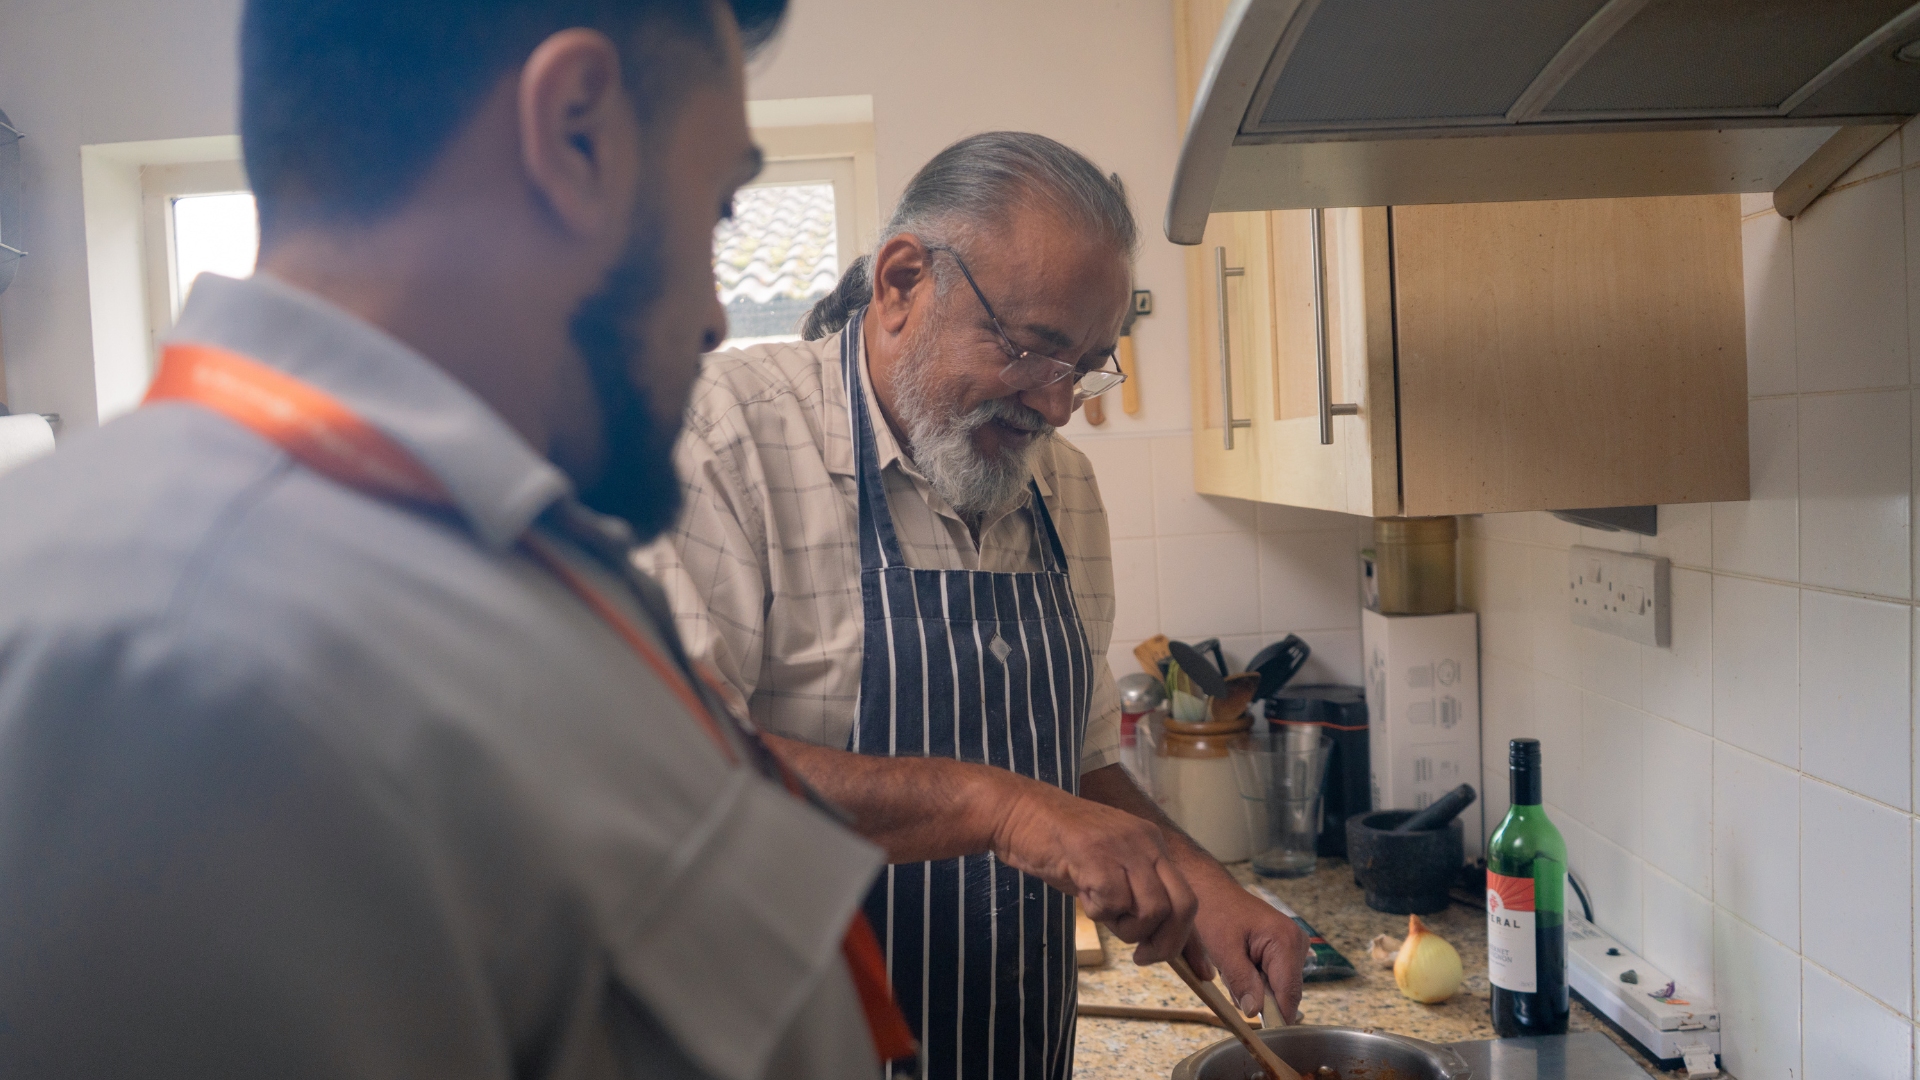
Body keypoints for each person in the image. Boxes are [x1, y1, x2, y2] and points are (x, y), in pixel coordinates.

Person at [0, 1, 914, 1077]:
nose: (718, 314)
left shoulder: (491, 555)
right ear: (575, 132)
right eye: (715, 212)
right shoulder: (168, 665)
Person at [638, 132, 1310, 1080]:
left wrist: (1202, 883)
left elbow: (1075, 765)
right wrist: (999, 808)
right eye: (1034, 348)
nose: (1058, 404)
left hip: (1013, 1049)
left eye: (1085, 365)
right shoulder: (725, 439)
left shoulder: (1060, 490)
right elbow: (680, 775)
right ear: (903, 281)